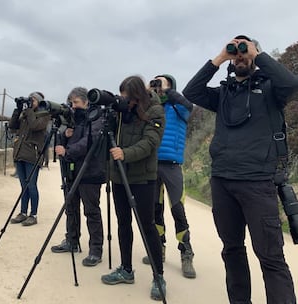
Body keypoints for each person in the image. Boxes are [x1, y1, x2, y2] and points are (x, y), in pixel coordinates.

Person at [182, 35, 298, 304]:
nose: (241, 56)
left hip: (258, 183)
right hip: (222, 182)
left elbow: (292, 84)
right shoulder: (223, 93)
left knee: (270, 257)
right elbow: (192, 92)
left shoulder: (272, 90)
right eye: (237, 52)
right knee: (232, 250)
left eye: (245, 51)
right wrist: (221, 56)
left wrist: (256, 54)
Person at [101, 75, 166, 301]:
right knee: (123, 223)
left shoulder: (155, 111)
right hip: (119, 176)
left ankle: (159, 276)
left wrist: (125, 154)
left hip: (144, 179)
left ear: (137, 95)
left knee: (147, 226)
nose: (123, 100)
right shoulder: (121, 112)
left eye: (126, 97)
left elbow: (150, 143)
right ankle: (126, 269)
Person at [141, 74, 196, 279]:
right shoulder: (152, 109)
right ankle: (159, 248)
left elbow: (188, 105)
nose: (157, 86)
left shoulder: (178, 107)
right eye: (154, 82)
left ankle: (186, 253)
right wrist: (147, 93)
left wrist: (167, 90)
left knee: (177, 210)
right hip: (152, 164)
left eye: (160, 82)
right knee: (155, 209)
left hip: (172, 165)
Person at [50, 87, 105, 267]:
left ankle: (96, 250)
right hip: (71, 170)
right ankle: (72, 241)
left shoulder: (96, 116)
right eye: (71, 103)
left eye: (76, 103)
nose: (73, 107)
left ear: (86, 102)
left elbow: (90, 141)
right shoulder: (73, 118)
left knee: (91, 211)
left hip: (90, 171)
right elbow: (65, 140)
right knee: (71, 207)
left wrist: (68, 150)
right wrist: (64, 136)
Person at [9, 92, 51, 226]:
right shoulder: (25, 113)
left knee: (31, 185)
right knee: (23, 186)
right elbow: (12, 126)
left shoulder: (44, 115)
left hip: (33, 155)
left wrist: (28, 110)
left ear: (39, 102)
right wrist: (18, 109)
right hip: (20, 153)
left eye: (32, 100)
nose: (30, 102)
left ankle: (33, 214)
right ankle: (23, 212)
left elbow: (34, 126)